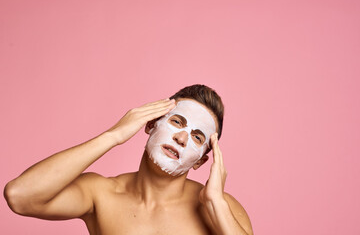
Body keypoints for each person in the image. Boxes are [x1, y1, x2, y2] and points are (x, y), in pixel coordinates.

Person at [4, 84, 253, 235]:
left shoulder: (221, 207)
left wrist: (215, 203)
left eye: (197, 138)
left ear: (200, 161)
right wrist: (113, 136)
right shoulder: (101, 194)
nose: (181, 138)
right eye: (177, 122)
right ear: (151, 125)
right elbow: (20, 196)